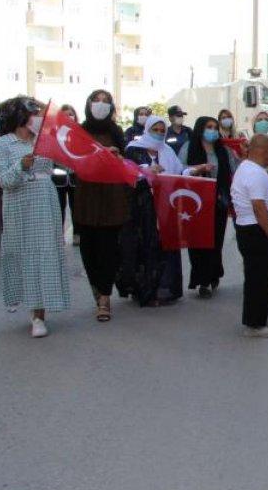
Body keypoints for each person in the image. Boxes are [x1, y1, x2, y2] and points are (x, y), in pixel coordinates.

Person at [0, 97, 72, 338]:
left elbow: (69, 160)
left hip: (45, 202)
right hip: (18, 205)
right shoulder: (3, 145)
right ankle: (25, 301)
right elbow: (4, 181)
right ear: (19, 117)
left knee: (44, 254)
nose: (37, 117)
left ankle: (39, 315)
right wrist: (21, 166)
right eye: (33, 113)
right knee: (23, 253)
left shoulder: (45, 141)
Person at [121, 115, 190, 307]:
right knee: (145, 247)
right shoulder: (134, 149)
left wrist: (193, 171)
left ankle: (165, 289)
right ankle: (144, 291)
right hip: (142, 208)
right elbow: (129, 174)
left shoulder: (167, 151)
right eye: (155, 130)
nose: (159, 134)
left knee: (165, 247)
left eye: (162, 131)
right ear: (147, 129)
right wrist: (148, 171)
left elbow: (179, 173)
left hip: (165, 206)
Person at [73, 89, 129, 322]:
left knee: (109, 249)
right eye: (96, 100)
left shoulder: (116, 133)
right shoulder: (79, 132)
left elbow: (127, 164)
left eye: (106, 101)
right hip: (87, 198)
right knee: (89, 250)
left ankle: (105, 297)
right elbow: (72, 159)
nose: (101, 104)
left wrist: (116, 157)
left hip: (111, 198)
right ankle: (97, 287)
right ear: (88, 104)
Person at [230, 134, 268, 338]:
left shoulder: (248, 169)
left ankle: (258, 317)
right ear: (263, 151)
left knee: (259, 277)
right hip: (259, 231)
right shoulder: (254, 173)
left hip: (254, 230)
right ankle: (255, 325)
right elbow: (258, 206)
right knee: (259, 279)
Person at [179, 116, 233, 298]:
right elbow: (180, 169)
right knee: (198, 240)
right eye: (209, 127)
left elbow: (234, 169)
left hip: (218, 201)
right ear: (200, 129)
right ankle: (201, 279)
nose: (213, 131)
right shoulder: (189, 147)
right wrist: (198, 169)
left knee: (215, 240)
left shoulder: (223, 150)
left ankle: (212, 275)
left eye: (215, 127)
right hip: (196, 202)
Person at [53, 104, 79, 242]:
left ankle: (77, 234)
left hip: (75, 176)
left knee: (76, 207)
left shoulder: (80, 133)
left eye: (71, 114)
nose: (69, 117)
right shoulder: (54, 133)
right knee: (58, 207)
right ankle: (59, 235)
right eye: (65, 114)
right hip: (58, 176)